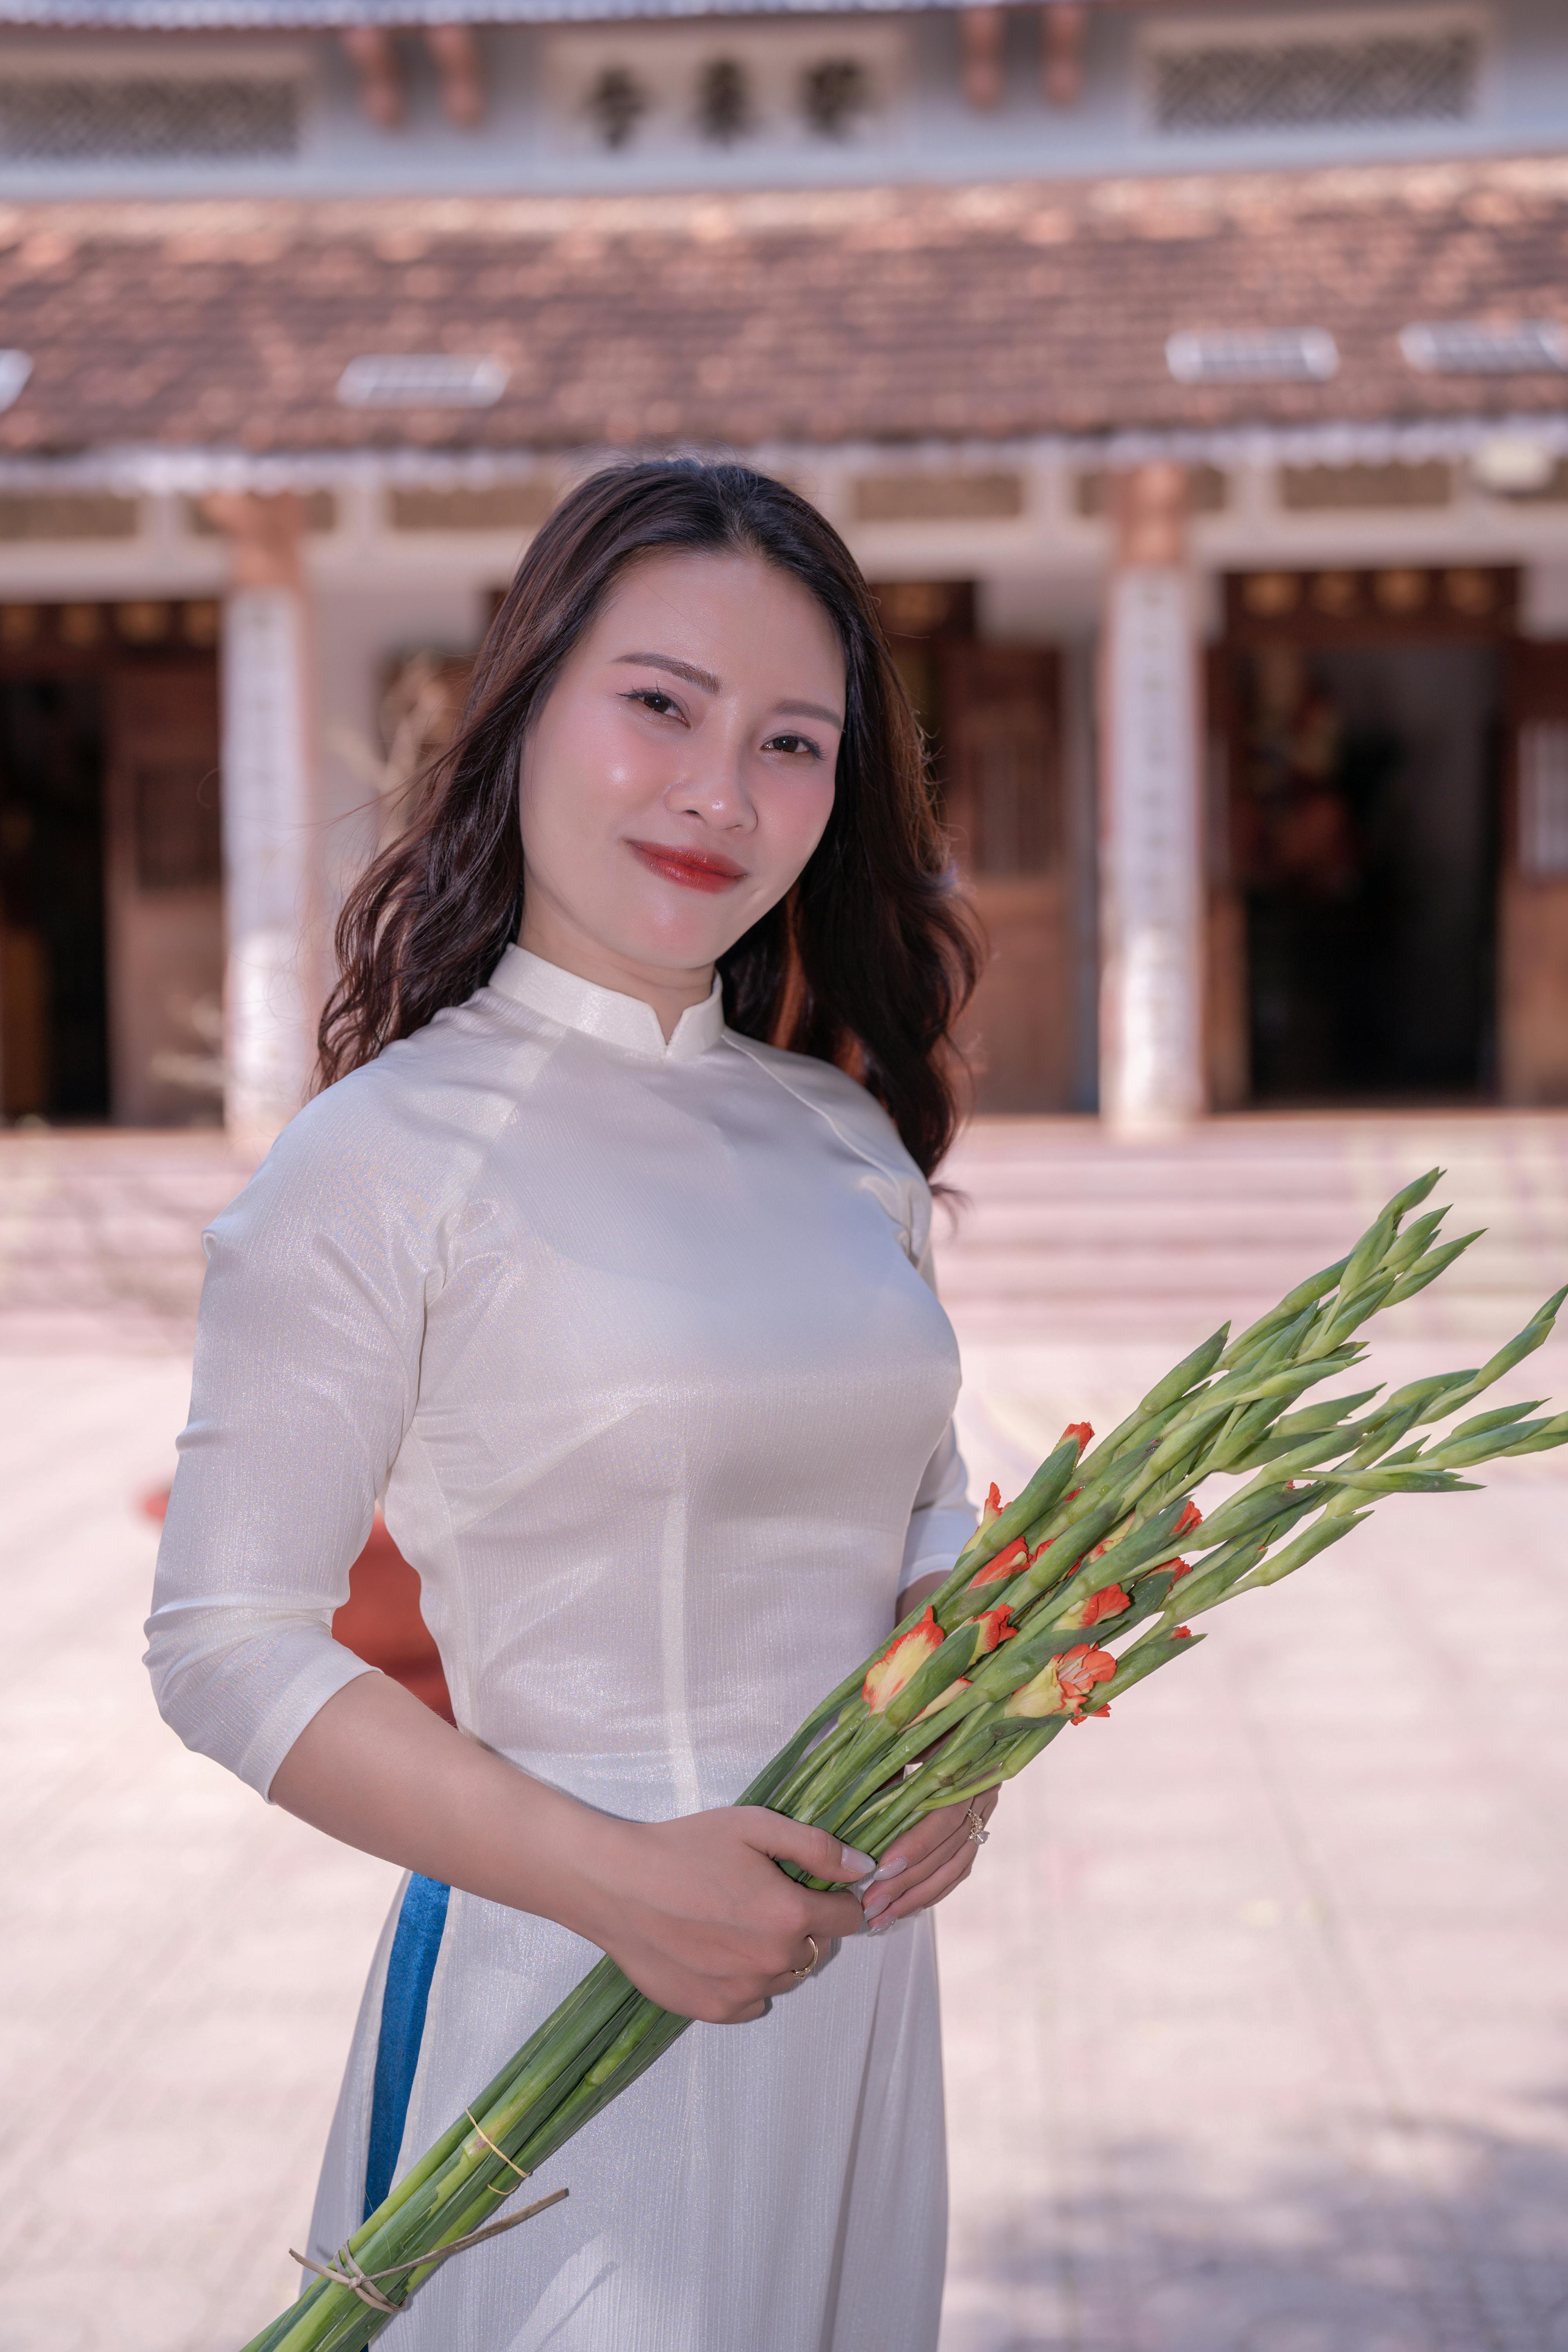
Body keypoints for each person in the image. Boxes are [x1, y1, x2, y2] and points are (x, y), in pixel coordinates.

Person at [145, 458, 991, 2351]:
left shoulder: (839, 1137)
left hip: (852, 2004)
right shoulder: (381, 1161)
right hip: (563, 1992)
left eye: (792, 741)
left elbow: (928, 1498)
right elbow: (222, 1640)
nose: (718, 792)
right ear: (526, 702)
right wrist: (618, 1879)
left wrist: (968, 1715)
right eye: (660, 707)